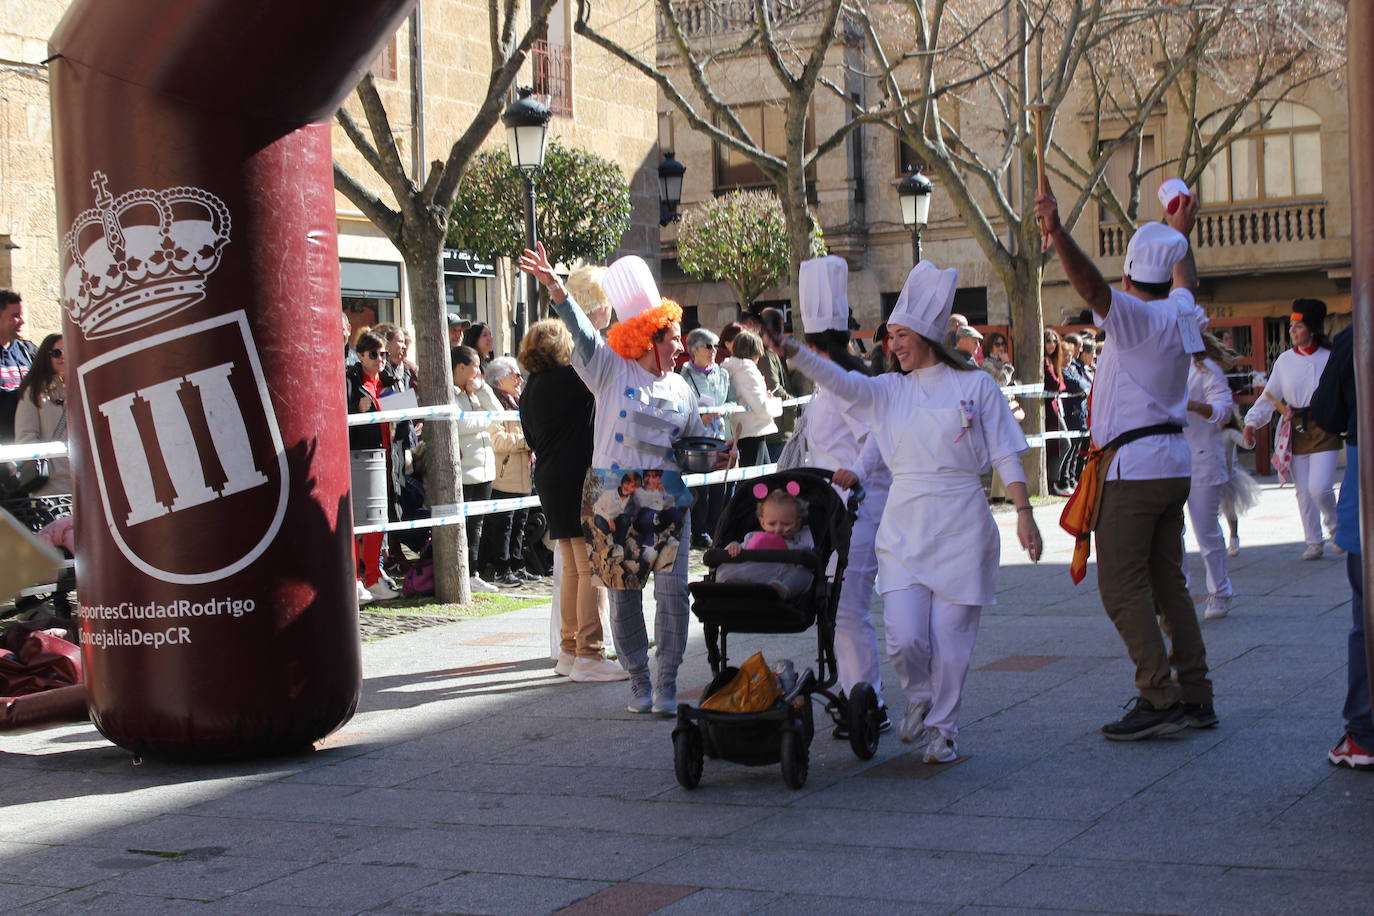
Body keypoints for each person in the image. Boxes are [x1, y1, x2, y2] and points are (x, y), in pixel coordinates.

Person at [766, 259, 1042, 765]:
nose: (892, 345)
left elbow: (1005, 450)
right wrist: (793, 353)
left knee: (951, 641)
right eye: (889, 336)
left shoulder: (975, 386)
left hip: (962, 521)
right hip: (905, 526)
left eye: (900, 334)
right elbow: (846, 384)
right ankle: (918, 693)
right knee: (906, 635)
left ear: (927, 335)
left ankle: (944, 729)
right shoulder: (890, 391)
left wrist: (1024, 511)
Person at [1035, 179, 1216, 741]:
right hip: (1171, 461)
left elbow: (1092, 288)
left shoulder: (1137, 317)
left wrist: (1058, 232)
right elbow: (1182, 282)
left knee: (1121, 586)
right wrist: (1180, 238)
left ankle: (1159, 695)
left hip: (1136, 469)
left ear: (1130, 274)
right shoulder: (1178, 310)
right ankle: (1195, 695)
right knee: (1169, 584)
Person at [519, 244, 711, 716]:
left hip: (665, 495)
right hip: (613, 495)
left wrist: (714, 453)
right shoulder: (609, 369)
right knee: (624, 596)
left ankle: (666, 684)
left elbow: (698, 442)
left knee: (671, 595)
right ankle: (638, 684)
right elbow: (583, 335)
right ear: (649, 337)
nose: (681, 346)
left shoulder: (682, 388)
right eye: (674, 338)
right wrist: (556, 288)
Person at [780, 254, 893, 736]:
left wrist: (853, 473)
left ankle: (868, 700)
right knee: (836, 608)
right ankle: (853, 691)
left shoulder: (849, 387)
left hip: (856, 511)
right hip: (829, 511)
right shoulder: (831, 388)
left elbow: (874, 440)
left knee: (848, 608)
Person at [518, 319, 624, 682]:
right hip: (577, 476)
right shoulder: (572, 378)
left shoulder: (530, 387)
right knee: (589, 568)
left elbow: (530, 438)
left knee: (572, 566)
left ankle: (568, 650)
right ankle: (589, 653)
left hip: (549, 477)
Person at [1310, 324, 1373, 769]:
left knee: (1367, 614)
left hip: (1368, 469)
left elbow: (1327, 413)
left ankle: (1365, 734)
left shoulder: (1358, 332)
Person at [1243, 299, 1340, 560]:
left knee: (1319, 486)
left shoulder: (1331, 357)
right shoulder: (1284, 361)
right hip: (1295, 428)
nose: (1292, 331)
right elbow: (1269, 395)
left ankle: (1335, 527)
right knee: (1302, 489)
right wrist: (1252, 422)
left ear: (1312, 329)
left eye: (1298, 326)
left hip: (1325, 427)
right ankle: (1313, 540)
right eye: (1291, 326)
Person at [1183, 338, 1238, 620]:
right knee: (1170, 532)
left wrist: (1192, 405)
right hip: (1168, 460)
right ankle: (1180, 592)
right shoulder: (1162, 368)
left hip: (1203, 458)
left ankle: (1220, 591)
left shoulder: (1207, 370)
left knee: (1206, 531)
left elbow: (1223, 413)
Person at [346, 331, 402, 603]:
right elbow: (342, 413)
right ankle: (357, 578)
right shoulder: (351, 379)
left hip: (389, 457)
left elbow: (405, 417)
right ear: (360, 356)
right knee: (361, 519)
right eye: (374, 354)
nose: (380, 359)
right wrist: (357, 409)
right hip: (361, 457)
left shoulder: (390, 378)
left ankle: (373, 576)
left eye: (383, 354)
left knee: (379, 519)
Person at [451, 344, 503, 593]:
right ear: (461, 367)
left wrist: (482, 390)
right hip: (466, 469)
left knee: (478, 525)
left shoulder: (475, 391)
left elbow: (498, 413)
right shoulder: (450, 392)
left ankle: (474, 572)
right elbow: (460, 425)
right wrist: (484, 421)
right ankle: (465, 572)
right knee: (466, 525)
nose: (479, 371)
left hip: (485, 468)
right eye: (475, 366)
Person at [480, 356, 534, 587]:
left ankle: (517, 564)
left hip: (522, 473)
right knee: (505, 525)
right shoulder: (496, 403)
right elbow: (498, 440)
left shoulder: (517, 401)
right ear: (500, 379)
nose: (520, 378)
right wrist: (527, 441)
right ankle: (502, 570)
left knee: (520, 522)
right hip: (505, 474)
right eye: (514, 374)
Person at [679, 326, 734, 549]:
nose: (714, 350)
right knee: (700, 489)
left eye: (716, 346)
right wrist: (699, 417)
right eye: (708, 346)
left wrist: (723, 410)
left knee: (720, 487)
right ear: (693, 350)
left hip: (720, 434)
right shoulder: (683, 377)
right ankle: (699, 532)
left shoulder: (723, 373)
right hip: (697, 439)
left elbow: (733, 400)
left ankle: (716, 530)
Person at [715, 485, 816, 599]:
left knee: (805, 573)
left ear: (797, 523)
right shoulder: (753, 537)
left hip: (779, 579)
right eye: (772, 524)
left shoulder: (799, 542)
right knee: (727, 561)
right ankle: (731, 584)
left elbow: (808, 559)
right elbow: (739, 548)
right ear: (762, 522)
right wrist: (734, 546)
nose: (778, 529)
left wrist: (799, 559)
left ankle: (782, 590)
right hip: (751, 577)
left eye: (786, 524)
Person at [13, 333, 70, 497]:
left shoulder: (85, 387)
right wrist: (49, 467)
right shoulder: (34, 392)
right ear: (47, 357)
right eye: (56, 353)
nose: (63, 357)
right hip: (51, 487)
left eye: (68, 351)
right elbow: (25, 437)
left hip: (87, 483)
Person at [721, 330, 778, 466]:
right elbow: (761, 406)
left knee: (763, 478)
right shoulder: (748, 371)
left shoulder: (732, 368)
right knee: (755, 481)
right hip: (753, 430)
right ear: (756, 351)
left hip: (742, 429)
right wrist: (772, 402)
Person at [0, 290, 34, 444]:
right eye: (15, 316)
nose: (22, 321)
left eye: (22, 315)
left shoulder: (28, 351)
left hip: (25, 446)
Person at [1042, 328, 1072, 495]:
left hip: (1055, 406)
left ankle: (1053, 482)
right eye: (1048, 341)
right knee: (1063, 443)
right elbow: (1056, 384)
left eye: (1054, 341)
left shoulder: (1053, 361)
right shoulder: (1044, 361)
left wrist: (1059, 384)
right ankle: (1051, 482)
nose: (1052, 344)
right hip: (1047, 408)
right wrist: (1059, 385)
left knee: (1063, 444)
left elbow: (1061, 384)